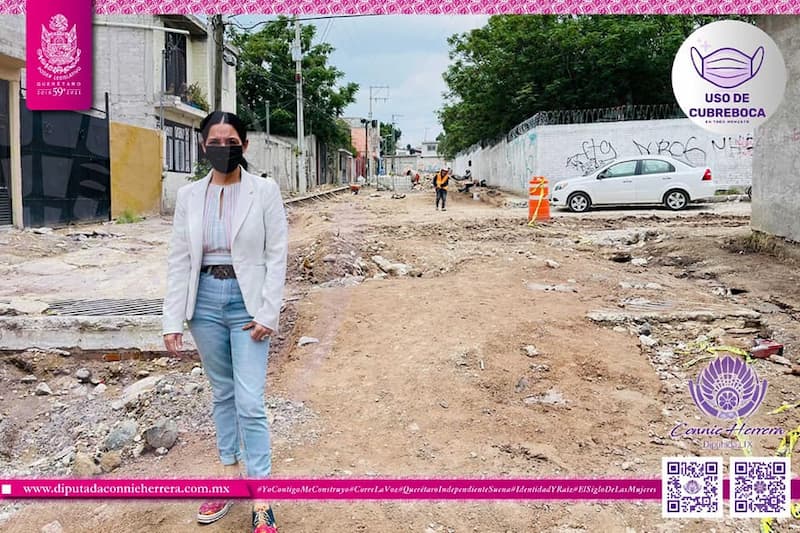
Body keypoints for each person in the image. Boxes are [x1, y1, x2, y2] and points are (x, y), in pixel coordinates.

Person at [162, 110, 288, 533]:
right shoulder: (189, 196)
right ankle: (228, 478)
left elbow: (277, 255)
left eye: (229, 141)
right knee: (222, 395)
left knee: (250, 401)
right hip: (205, 303)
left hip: (246, 303)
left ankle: (262, 497)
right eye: (213, 141)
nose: (222, 147)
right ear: (202, 146)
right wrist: (172, 318)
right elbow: (180, 258)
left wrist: (268, 312)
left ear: (244, 146)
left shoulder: (264, 192)